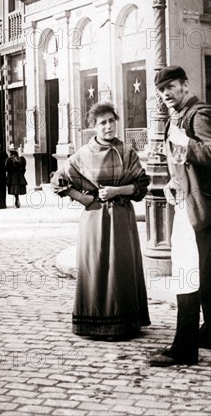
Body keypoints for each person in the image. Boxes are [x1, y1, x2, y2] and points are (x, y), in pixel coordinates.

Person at [149, 65, 211, 367]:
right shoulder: (181, 116)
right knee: (206, 271)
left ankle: (184, 347)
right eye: (162, 90)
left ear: (185, 85)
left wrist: (185, 142)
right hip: (193, 203)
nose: (166, 94)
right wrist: (173, 182)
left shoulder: (199, 115)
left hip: (198, 207)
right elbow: (185, 165)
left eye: (171, 87)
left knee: (187, 272)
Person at [51, 102, 151, 339]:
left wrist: (118, 191)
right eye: (103, 122)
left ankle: (125, 323)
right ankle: (94, 323)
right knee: (96, 266)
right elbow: (58, 180)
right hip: (95, 219)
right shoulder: (83, 155)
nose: (108, 126)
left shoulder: (127, 152)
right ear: (94, 127)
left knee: (121, 267)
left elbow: (142, 185)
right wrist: (83, 198)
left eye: (111, 121)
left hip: (122, 218)